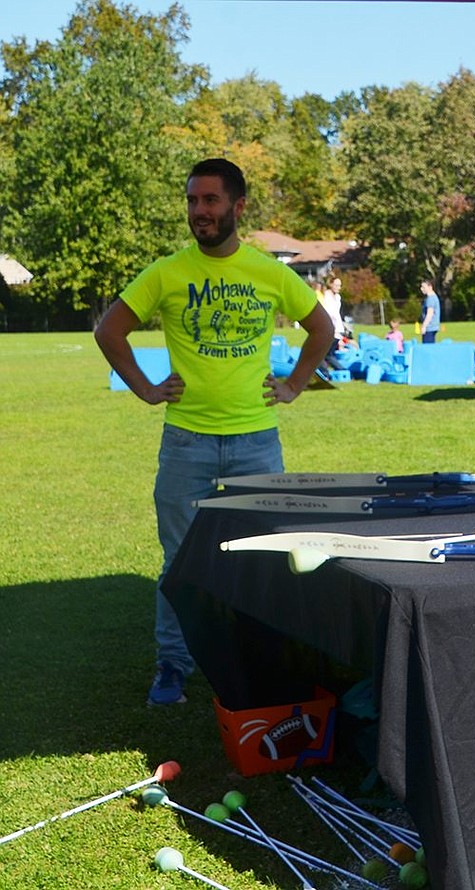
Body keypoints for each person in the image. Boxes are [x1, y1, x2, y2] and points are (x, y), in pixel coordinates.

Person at [94, 158, 333, 706]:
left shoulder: (269, 273)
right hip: (187, 443)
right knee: (179, 559)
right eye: (192, 202)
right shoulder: (168, 271)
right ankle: (173, 668)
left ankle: (256, 661)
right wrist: (147, 389)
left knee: (263, 554)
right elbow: (111, 329)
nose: (199, 211)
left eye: (210, 201)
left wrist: (296, 383)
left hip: (256, 441)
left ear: (237, 206)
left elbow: (322, 327)